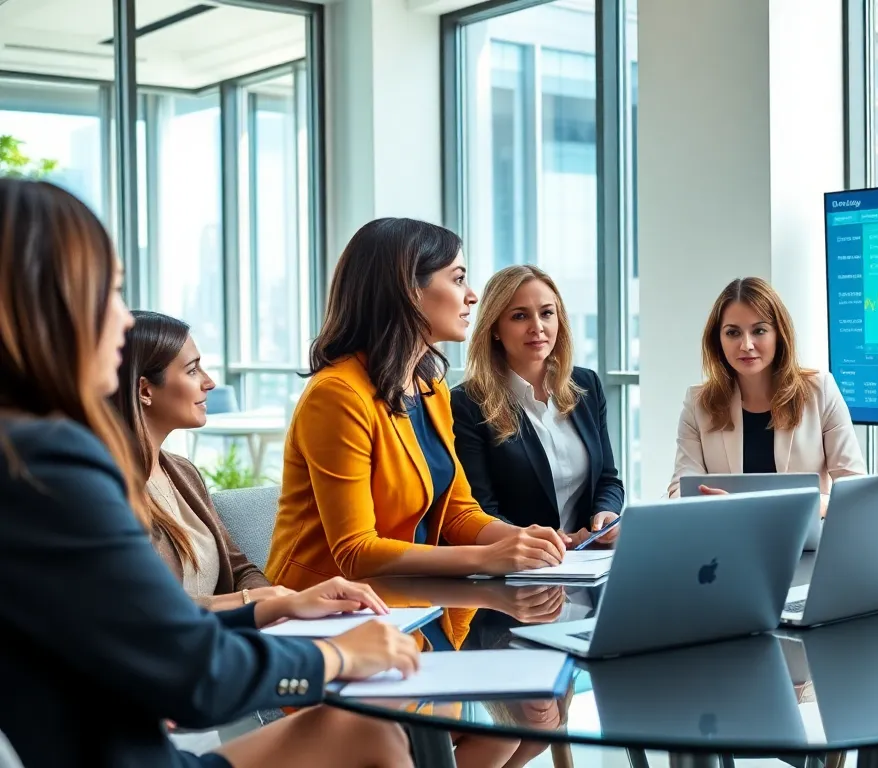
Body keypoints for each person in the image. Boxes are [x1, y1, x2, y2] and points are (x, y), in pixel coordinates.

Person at [0, 178, 419, 767]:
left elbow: (150, 628)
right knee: (371, 730)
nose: (122, 323)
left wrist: (275, 604)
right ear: (48, 307)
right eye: (109, 293)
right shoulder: (47, 463)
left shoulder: (30, 456)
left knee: (370, 731)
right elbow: (196, 675)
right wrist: (340, 656)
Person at [265, 218, 570, 594]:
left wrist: (523, 540)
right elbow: (356, 552)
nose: (472, 296)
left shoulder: (430, 386)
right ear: (409, 290)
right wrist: (488, 557)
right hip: (329, 612)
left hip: (414, 598)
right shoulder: (337, 395)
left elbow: (460, 512)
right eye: (458, 279)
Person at [111, 310, 290, 610]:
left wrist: (274, 604)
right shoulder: (110, 488)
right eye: (192, 370)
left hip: (227, 640)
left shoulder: (183, 473)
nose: (209, 383)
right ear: (145, 390)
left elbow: (240, 569)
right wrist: (249, 602)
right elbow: (144, 610)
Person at [452, 265, 623, 547]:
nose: (537, 327)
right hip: (514, 568)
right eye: (520, 316)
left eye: (546, 313)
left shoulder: (586, 385)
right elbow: (479, 509)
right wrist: (545, 541)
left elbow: (607, 477)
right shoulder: (467, 403)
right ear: (495, 329)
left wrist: (605, 514)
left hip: (586, 560)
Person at [667, 277, 865, 515]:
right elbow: (680, 488)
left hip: (805, 540)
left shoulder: (819, 391)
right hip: (727, 538)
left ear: (779, 335)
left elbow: (855, 488)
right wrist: (718, 505)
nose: (746, 345)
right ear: (717, 340)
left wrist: (783, 506)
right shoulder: (698, 403)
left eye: (759, 330)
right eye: (733, 333)